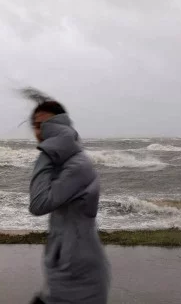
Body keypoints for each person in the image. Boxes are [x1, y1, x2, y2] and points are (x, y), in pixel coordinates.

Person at [28, 101, 110, 304]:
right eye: (36, 126)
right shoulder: (63, 162)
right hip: (65, 265)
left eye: (45, 125)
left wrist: (47, 151)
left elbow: (38, 204)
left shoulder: (77, 166)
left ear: (61, 128)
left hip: (79, 271)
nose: (39, 132)